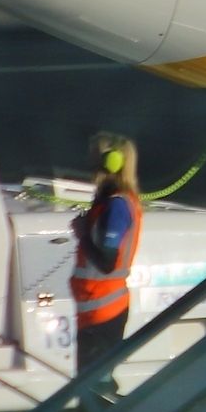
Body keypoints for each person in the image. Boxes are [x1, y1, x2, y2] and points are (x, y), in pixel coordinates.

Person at [70, 133, 145, 364]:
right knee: (90, 387)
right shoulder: (109, 203)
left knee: (93, 389)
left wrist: (83, 234)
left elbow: (106, 262)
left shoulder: (117, 207)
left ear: (111, 162)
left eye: (95, 159)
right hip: (95, 311)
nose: (91, 166)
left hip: (104, 310)